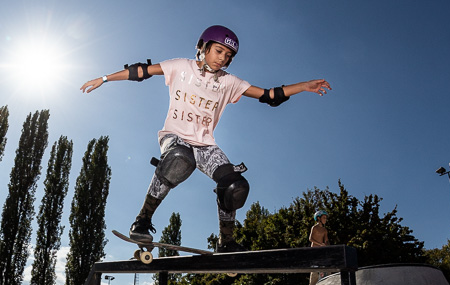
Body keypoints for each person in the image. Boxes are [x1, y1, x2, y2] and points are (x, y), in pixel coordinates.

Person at [81, 25, 331, 252]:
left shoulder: (229, 82)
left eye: (228, 56)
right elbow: (140, 71)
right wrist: (103, 79)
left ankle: (226, 241)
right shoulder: (180, 66)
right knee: (180, 159)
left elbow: (269, 95)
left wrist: (303, 86)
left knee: (234, 186)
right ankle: (143, 220)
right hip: (174, 137)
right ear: (203, 47)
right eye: (218, 51)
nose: (222, 58)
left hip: (206, 145)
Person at [308, 210, 329, 285]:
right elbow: (310, 238)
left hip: (321, 250)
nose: (325, 220)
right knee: (314, 270)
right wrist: (320, 244)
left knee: (326, 267)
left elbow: (326, 240)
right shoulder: (314, 228)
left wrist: (326, 244)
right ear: (319, 218)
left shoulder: (324, 230)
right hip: (314, 250)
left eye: (326, 218)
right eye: (324, 218)